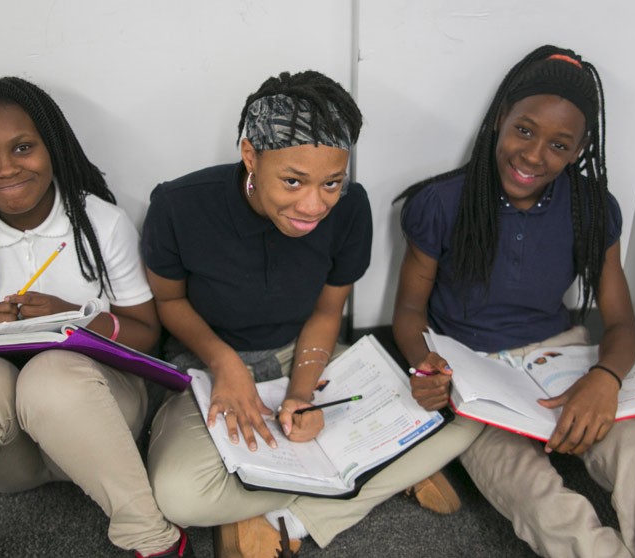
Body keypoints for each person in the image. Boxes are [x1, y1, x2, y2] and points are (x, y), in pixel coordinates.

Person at [392, 46, 635, 557]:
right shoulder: (441, 203)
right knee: (536, 497)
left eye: (559, 144)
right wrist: (423, 365)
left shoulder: (591, 208)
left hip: (560, 360)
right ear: (502, 118)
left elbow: (621, 324)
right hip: (473, 371)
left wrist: (604, 380)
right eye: (524, 130)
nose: (533, 155)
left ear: (580, 148)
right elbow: (410, 313)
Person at [142, 70, 483, 558]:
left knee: (466, 415)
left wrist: (301, 393)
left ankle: (289, 517)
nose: (313, 205)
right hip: (206, 362)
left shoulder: (350, 208)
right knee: (177, 495)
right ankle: (376, 469)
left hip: (304, 350)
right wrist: (225, 364)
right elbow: (170, 302)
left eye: (331, 183)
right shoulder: (178, 205)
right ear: (250, 157)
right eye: (292, 181)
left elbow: (327, 311)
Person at [0, 75, 192, 558]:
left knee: (51, 374)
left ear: (51, 146)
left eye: (23, 147)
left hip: (99, 426)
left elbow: (147, 335)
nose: (6, 168)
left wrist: (74, 318)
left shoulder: (100, 224)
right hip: (5, 455)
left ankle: (150, 538)